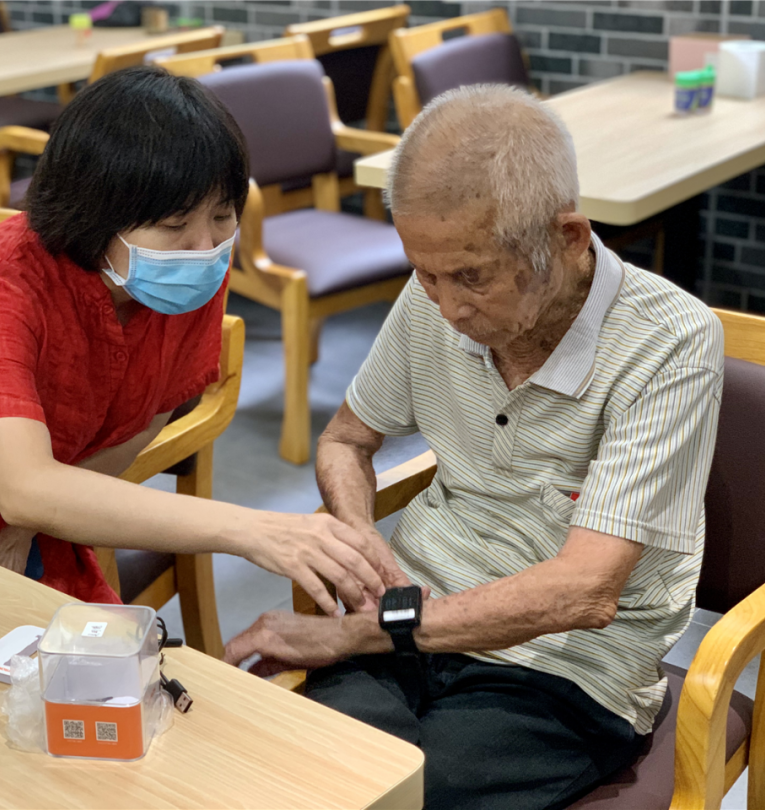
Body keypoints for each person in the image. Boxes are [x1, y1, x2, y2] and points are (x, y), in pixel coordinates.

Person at [225, 84, 723, 810]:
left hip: (564, 666)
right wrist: (363, 542)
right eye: (425, 273)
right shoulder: (433, 296)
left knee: (410, 796)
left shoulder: (670, 342)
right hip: (410, 611)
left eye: (472, 277)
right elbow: (347, 439)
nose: (449, 307)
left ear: (568, 238)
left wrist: (370, 631)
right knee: (318, 772)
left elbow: (586, 591)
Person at [0, 67, 402, 616]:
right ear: (95, 214)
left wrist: (28, 522)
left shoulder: (193, 267)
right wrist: (253, 529)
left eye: (224, 215)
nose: (204, 246)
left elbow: (145, 420)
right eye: (173, 226)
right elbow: (22, 484)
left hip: (41, 517)